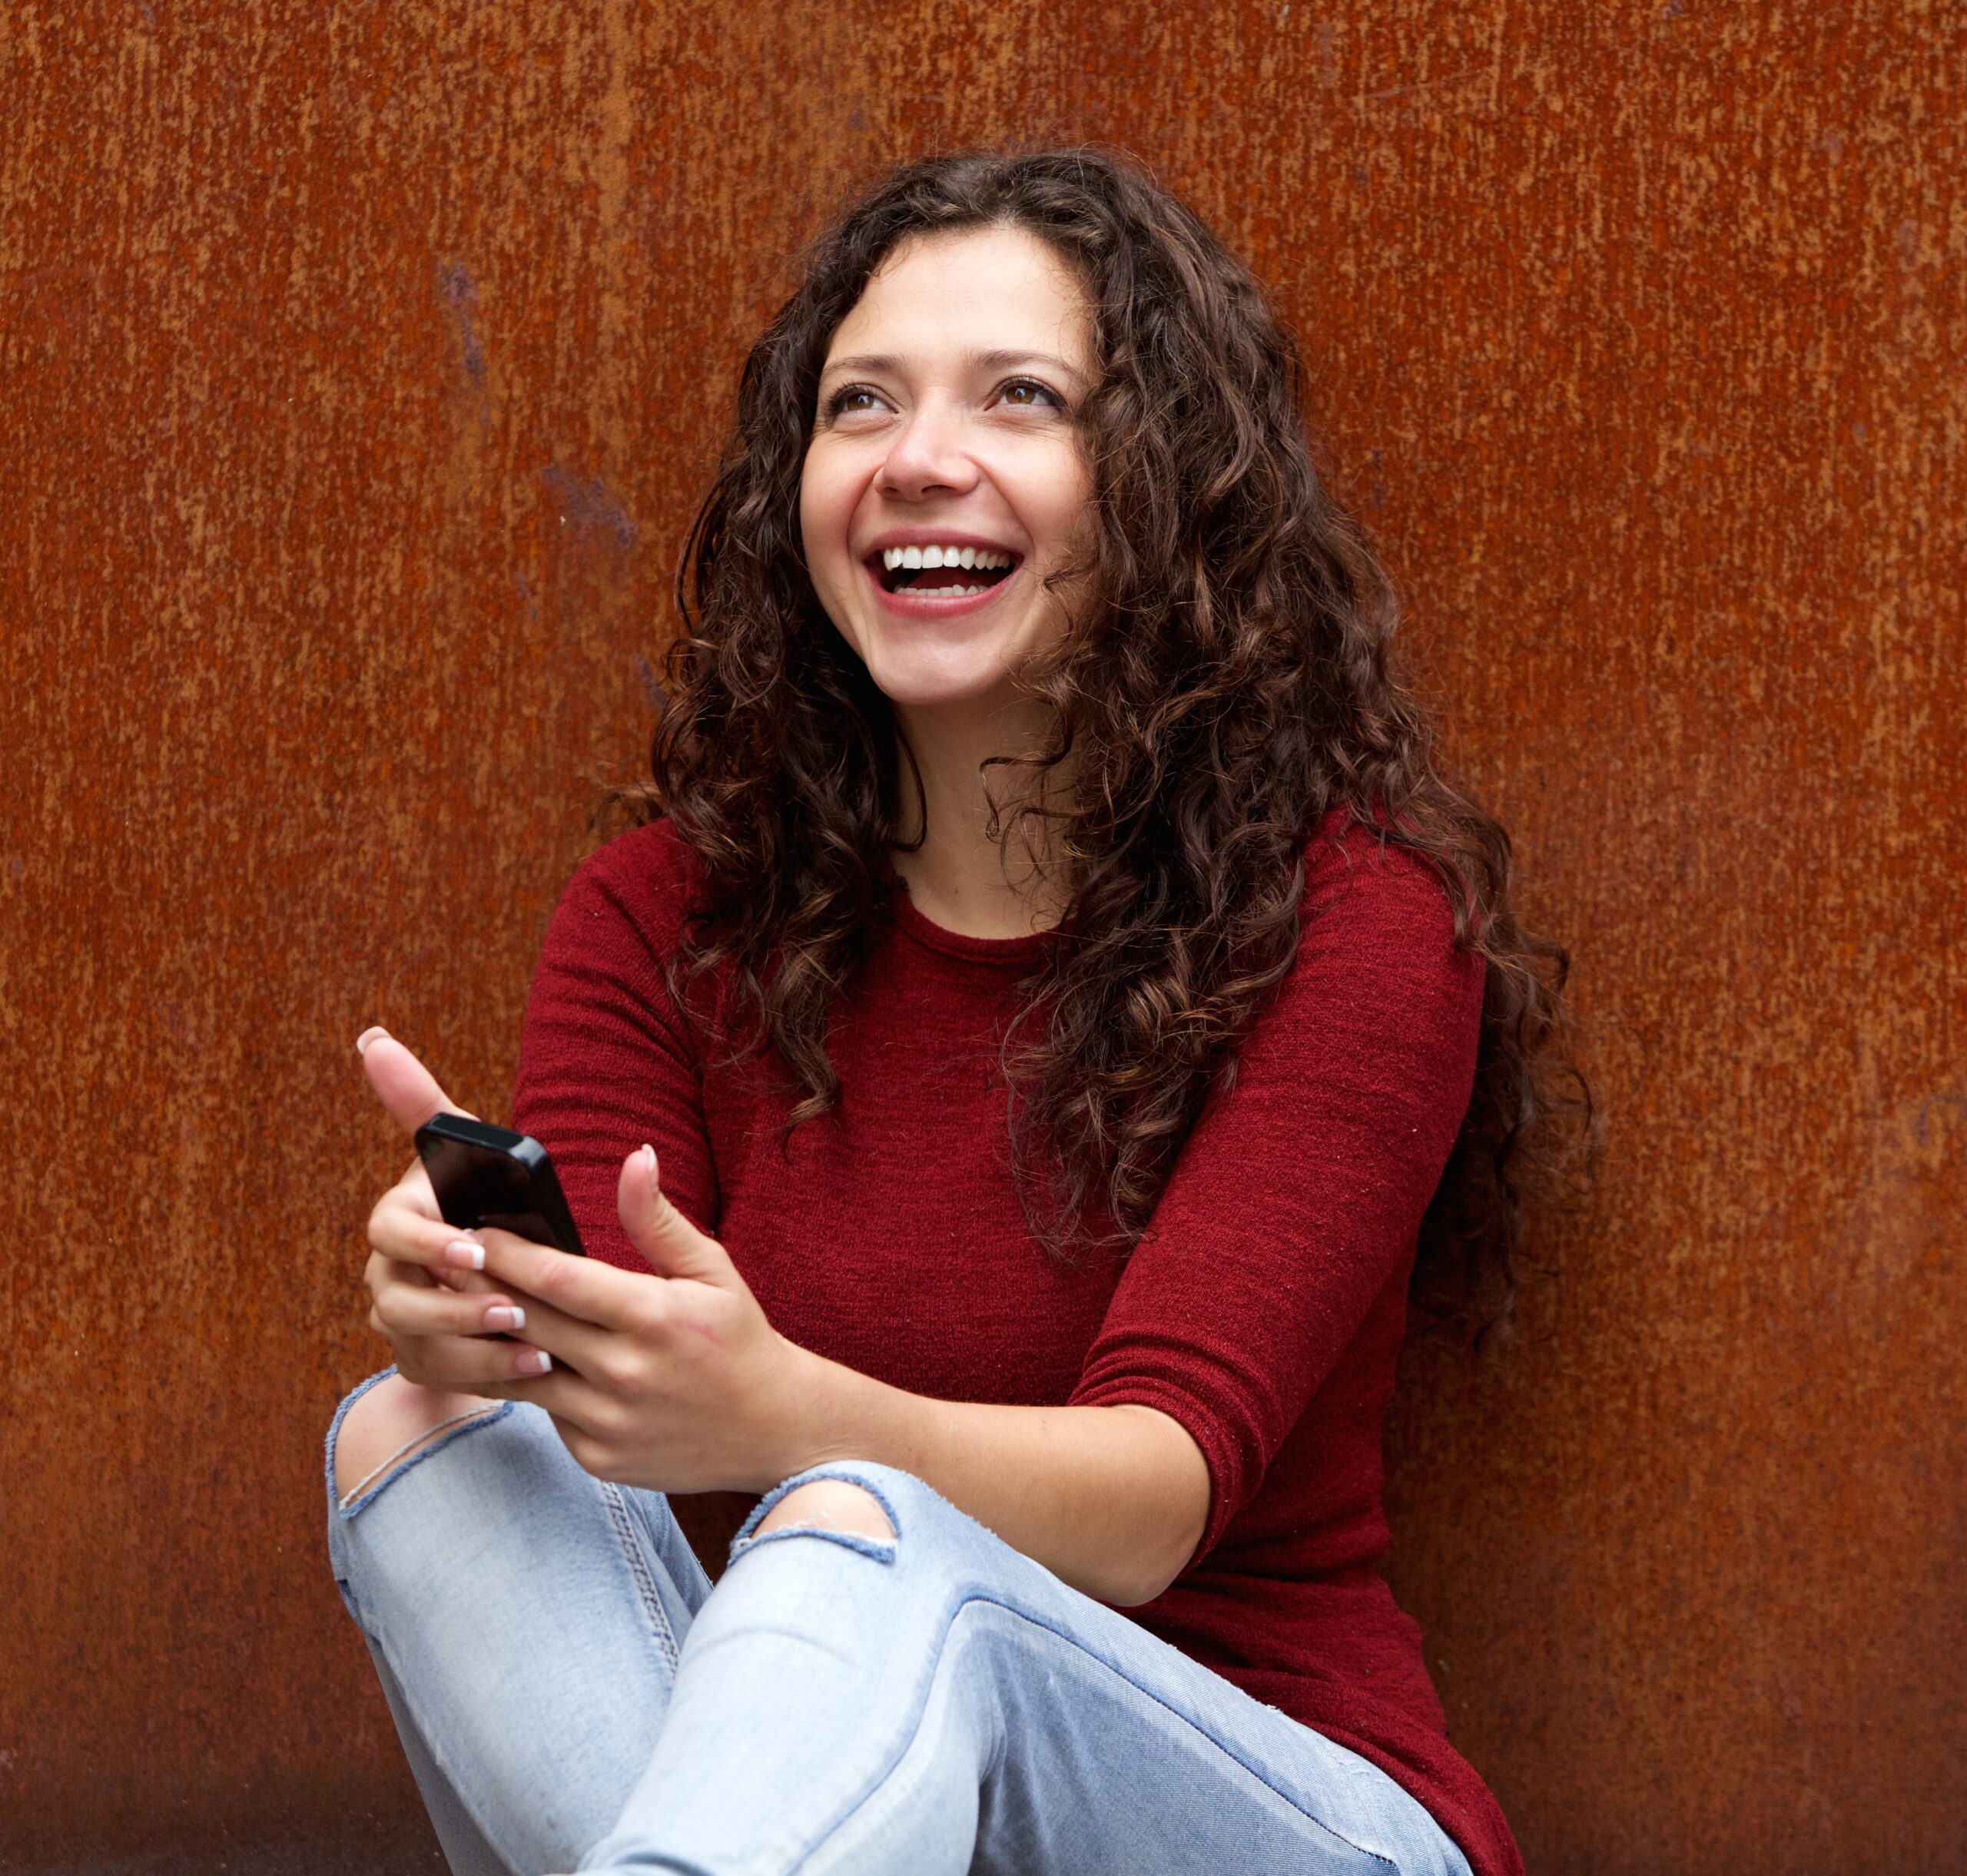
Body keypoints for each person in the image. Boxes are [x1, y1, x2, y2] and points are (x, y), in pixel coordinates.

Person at [326, 148, 1584, 1876]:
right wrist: (486, 1310)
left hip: (1282, 1810)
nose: (921, 459)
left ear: (1165, 487)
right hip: (825, 1821)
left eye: (1021, 398)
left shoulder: (1351, 917)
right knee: (421, 1442)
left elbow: (1158, 1498)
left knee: (859, 1522)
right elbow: (607, 1390)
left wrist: (786, 1423)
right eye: (861, 403)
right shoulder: (667, 917)